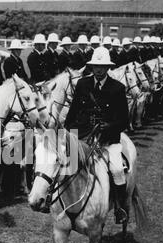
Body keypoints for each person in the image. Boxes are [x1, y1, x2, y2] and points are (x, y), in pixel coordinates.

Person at [65, 47, 129, 224]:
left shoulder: (117, 88)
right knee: (64, 162)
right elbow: (74, 111)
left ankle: (119, 207)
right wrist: (68, 130)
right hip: (84, 136)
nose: (98, 69)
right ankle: (57, 200)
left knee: (116, 169)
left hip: (108, 141)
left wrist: (107, 128)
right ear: (91, 66)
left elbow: (124, 120)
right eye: (95, 66)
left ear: (108, 67)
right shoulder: (82, 84)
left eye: (102, 66)